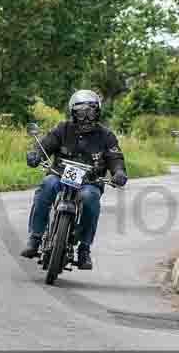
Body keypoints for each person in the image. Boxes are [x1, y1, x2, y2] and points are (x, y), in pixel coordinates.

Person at [21, 90, 127, 270]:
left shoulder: (106, 136)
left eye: (90, 111)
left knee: (90, 198)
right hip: (59, 175)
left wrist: (119, 172)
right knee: (46, 186)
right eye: (81, 112)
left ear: (98, 112)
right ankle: (35, 237)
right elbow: (46, 144)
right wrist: (36, 154)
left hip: (90, 181)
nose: (86, 117)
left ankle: (84, 249)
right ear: (73, 112)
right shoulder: (62, 128)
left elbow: (115, 158)